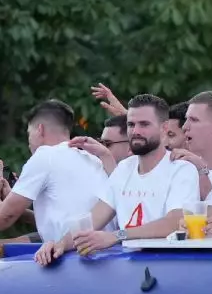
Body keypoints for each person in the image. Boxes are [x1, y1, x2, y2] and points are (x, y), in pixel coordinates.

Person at [36, 94, 201, 263]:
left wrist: (116, 236)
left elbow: (174, 222)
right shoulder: (124, 168)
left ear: (164, 127)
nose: (136, 131)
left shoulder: (182, 169)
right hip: (127, 269)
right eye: (131, 124)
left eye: (144, 124)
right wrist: (60, 244)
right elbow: (94, 218)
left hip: (168, 267)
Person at [0, 100, 108, 263]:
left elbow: (1, 220)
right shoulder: (92, 159)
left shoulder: (44, 156)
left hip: (72, 258)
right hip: (103, 254)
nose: (29, 142)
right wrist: (17, 204)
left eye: (29, 134)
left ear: (40, 129)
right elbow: (67, 220)